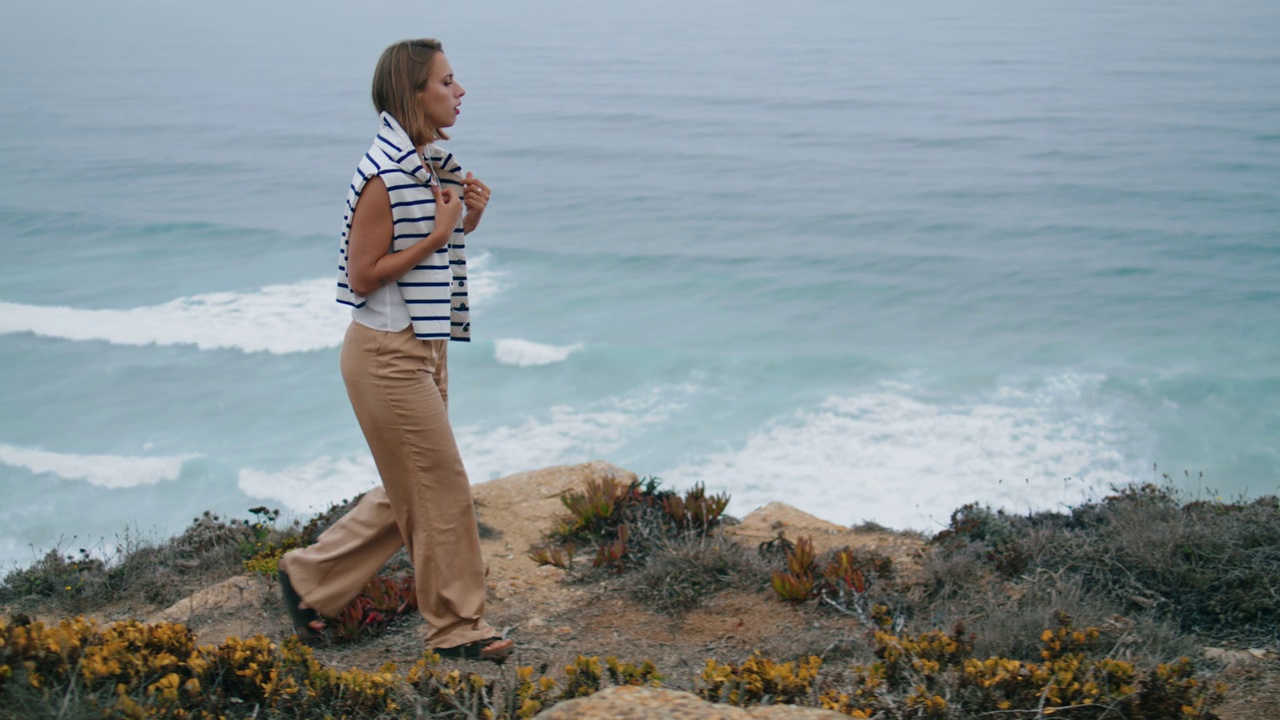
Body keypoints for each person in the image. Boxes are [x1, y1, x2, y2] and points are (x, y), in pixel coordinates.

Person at [277, 38, 513, 662]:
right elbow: (363, 274)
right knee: (440, 487)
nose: (460, 91)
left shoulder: (427, 161)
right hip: (386, 353)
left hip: (425, 345)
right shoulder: (383, 173)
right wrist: (440, 232)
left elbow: (429, 254)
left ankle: (308, 580)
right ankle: (458, 627)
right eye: (446, 82)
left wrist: (466, 222)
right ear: (413, 94)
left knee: (410, 483)